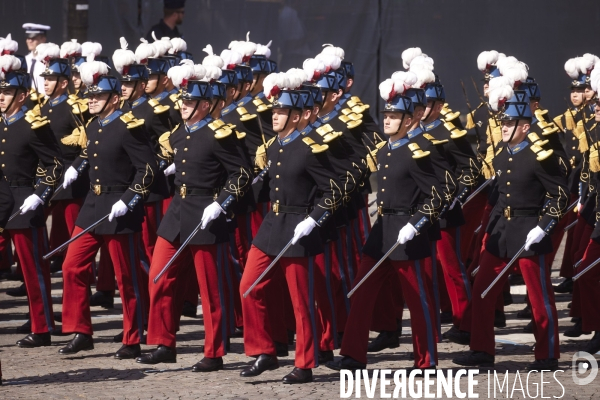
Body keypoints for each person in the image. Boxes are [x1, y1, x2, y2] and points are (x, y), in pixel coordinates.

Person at [137, 63, 252, 371]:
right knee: (159, 275)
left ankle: (214, 351)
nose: (183, 107)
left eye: (189, 103)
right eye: (182, 102)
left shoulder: (220, 134)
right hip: (176, 212)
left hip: (206, 213)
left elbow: (241, 174)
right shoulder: (178, 134)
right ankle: (164, 342)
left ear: (204, 105)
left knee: (210, 288)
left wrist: (221, 204)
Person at [326, 71, 443, 372]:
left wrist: (416, 224)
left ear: (409, 120)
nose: (387, 120)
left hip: (407, 233)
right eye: (386, 114)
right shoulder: (385, 149)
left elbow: (438, 194)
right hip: (382, 232)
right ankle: (353, 354)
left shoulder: (419, 151)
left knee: (418, 300)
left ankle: (426, 360)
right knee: (362, 290)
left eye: (394, 115)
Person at [450, 80, 568, 371]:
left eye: (510, 124)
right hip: (502, 232)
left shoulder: (541, 156)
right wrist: (489, 230)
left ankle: (547, 354)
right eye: (503, 123)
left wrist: (544, 227)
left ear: (525, 127)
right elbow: (501, 197)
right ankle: (481, 349)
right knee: (483, 289)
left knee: (540, 297)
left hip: (530, 231)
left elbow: (559, 195)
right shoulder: (502, 155)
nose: (503, 128)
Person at [239, 83, 341, 384]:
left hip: (299, 228)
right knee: (249, 286)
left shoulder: (312, 147)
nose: (276, 115)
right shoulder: (274, 144)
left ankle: (305, 363)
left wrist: (314, 219)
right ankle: (264, 351)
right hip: (273, 225)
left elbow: (333, 190)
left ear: (298, 116)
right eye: (275, 109)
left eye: (282, 110)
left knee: (301, 301)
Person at [58, 57, 156, 359]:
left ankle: (132, 336)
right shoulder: (95, 125)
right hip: (93, 204)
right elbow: (90, 152)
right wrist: (76, 166)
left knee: (126, 277)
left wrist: (127, 201)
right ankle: (81, 330)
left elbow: (148, 170)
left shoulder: (128, 127)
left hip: (119, 207)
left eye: (98, 96)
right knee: (71, 265)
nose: (91, 100)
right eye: (90, 95)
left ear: (114, 99)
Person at [0, 54, 64, 347]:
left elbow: (55, 164)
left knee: (32, 268)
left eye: (8, 92)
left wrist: (40, 195)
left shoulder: (33, 124)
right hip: (2, 200)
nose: (2, 97)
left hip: (25, 201)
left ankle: (42, 326)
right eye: (0, 92)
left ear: (22, 95)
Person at [36, 45, 89, 273]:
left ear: (64, 83)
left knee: (74, 232)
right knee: (43, 226)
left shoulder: (74, 108)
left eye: (51, 79)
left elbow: (88, 145)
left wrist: (76, 169)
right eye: (45, 78)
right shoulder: (44, 106)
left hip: (70, 178)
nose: (45, 83)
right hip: (48, 175)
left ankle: (83, 278)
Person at [22, 23, 50, 96]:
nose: (30, 41)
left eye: (33, 38)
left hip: (44, 101)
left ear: (43, 39)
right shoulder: (25, 60)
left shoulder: (48, 60)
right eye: (28, 38)